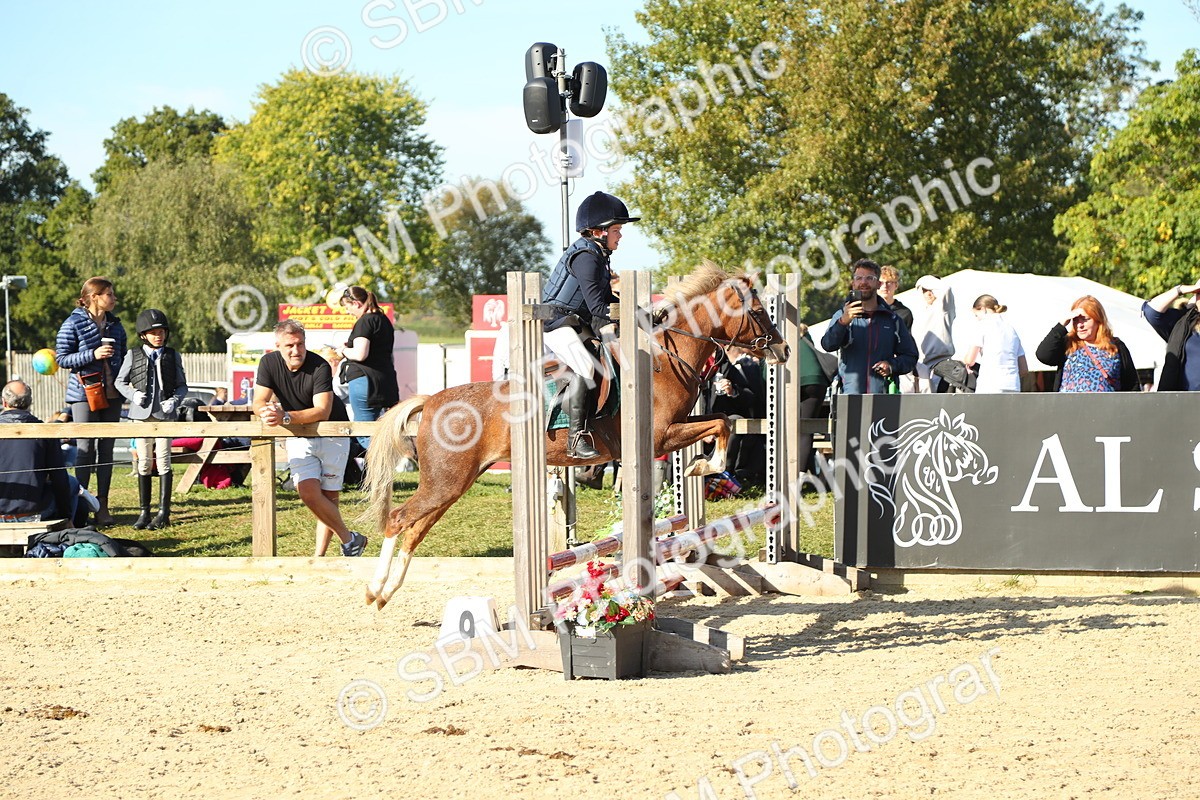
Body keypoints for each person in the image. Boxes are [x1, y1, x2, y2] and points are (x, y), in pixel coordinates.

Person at [253, 319, 367, 557]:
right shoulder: (268, 363)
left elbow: (322, 411)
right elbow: (259, 401)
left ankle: (320, 557)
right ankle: (350, 539)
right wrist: (265, 412)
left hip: (331, 432)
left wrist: (284, 417)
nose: (296, 351)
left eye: (300, 344)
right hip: (298, 433)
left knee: (328, 497)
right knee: (307, 492)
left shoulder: (320, 365)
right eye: (290, 346)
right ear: (278, 346)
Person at [541, 190, 639, 458]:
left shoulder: (598, 255)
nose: (620, 235)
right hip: (556, 323)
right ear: (599, 231)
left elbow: (609, 298)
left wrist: (642, 314)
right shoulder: (586, 257)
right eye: (616, 229)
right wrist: (631, 318)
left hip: (574, 323)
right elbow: (598, 308)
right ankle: (575, 439)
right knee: (585, 366)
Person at [55, 277, 127, 527]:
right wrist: (92, 354)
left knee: (107, 450)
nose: (114, 298)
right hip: (83, 394)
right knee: (85, 450)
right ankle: (81, 507)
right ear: (94, 296)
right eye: (110, 294)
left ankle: (103, 506)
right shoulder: (72, 323)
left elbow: (124, 356)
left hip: (112, 394)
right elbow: (62, 358)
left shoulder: (116, 325)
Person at [116, 309, 188, 529]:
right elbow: (120, 382)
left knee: (164, 459)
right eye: (153, 332)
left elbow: (182, 385)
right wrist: (133, 394)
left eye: (161, 331)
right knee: (145, 462)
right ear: (143, 335)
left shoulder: (172, 355)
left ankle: (164, 512)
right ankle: (144, 512)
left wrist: (174, 401)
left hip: (164, 416)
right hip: (141, 415)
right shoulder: (132, 355)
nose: (158, 335)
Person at [820, 258, 918, 394]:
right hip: (849, 397)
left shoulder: (893, 319)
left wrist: (891, 366)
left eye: (869, 278)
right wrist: (843, 322)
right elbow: (828, 345)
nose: (863, 282)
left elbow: (910, 356)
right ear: (853, 283)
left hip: (882, 399)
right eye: (859, 278)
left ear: (878, 284)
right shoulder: (842, 315)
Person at [0, 380, 78, 525]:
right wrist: (66, 516)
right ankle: (68, 527)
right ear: (30, 402)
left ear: (4, 403)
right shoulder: (44, 431)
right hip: (31, 513)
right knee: (72, 483)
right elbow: (59, 479)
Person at [336, 286, 399, 450]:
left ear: (356, 303)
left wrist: (343, 350)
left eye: (347, 307)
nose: (348, 311)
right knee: (381, 430)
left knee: (364, 432)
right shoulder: (384, 320)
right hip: (385, 382)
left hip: (365, 382)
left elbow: (360, 354)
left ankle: (380, 469)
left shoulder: (364, 321)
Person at [1035, 295, 1138, 392]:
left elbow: (1132, 385)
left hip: (1107, 409)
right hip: (1068, 409)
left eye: (1085, 319)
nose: (1080, 325)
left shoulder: (1116, 346)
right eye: (1075, 320)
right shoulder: (1068, 344)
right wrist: (1062, 323)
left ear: (1098, 320)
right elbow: (1043, 355)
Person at [706, 346, 766, 488]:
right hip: (696, 421)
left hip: (720, 422)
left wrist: (732, 390)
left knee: (734, 420)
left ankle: (724, 478)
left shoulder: (725, 367)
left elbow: (750, 397)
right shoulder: (690, 367)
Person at [963, 295, 1028, 393]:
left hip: (989, 384)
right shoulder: (1011, 330)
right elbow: (1023, 369)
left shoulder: (982, 326)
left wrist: (965, 363)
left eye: (976, 315)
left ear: (983, 309)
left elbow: (970, 360)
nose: (977, 319)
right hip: (1013, 385)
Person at [1142, 282, 1200, 391]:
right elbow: (1151, 311)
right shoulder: (1184, 323)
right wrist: (1181, 289)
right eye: (1198, 293)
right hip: (1186, 402)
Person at [909, 275, 956, 393]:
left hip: (941, 365)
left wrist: (924, 280)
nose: (929, 293)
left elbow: (946, 289)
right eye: (925, 290)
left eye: (932, 290)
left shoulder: (944, 308)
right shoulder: (920, 312)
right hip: (921, 366)